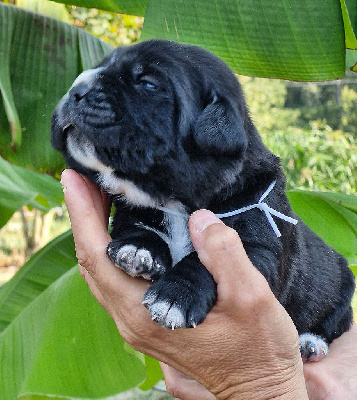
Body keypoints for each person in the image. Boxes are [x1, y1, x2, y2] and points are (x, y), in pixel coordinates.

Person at [61, 169, 357, 400]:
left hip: (319, 311)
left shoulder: (250, 204)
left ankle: (316, 335)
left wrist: (266, 388)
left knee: (338, 290)